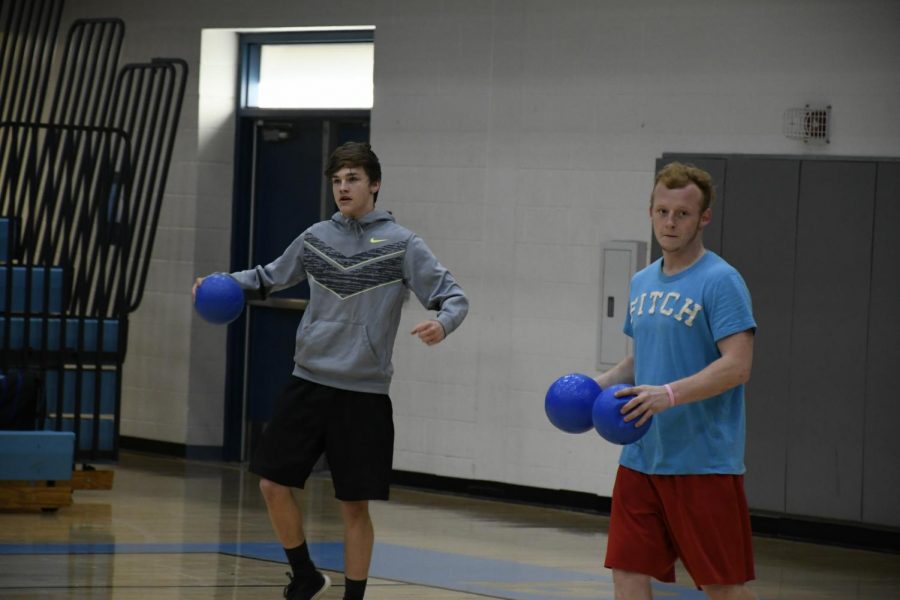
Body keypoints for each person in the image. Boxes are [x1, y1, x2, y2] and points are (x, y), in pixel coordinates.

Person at [193, 142, 468, 600]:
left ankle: (353, 596)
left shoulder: (403, 245)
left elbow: (454, 296)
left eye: (353, 179)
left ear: (374, 184)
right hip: (308, 382)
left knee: (353, 505)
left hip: (363, 394)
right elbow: (267, 277)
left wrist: (442, 323)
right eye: (337, 181)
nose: (343, 188)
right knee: (271, 484)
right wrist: (221, 283)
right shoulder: (316, 236)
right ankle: (305, 573)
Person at [595, 162, 757, 600]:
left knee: (723, 586)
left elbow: (738, 365)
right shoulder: (642, 281)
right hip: (641, 456)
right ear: (650, 211)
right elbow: (644, 355)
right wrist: (599, 383)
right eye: (662, 211)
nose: (670, 222)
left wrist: (669, 394)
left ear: (704, 218)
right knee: (627, 571)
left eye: (682, 214)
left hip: (702, 462)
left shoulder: (721, 281)